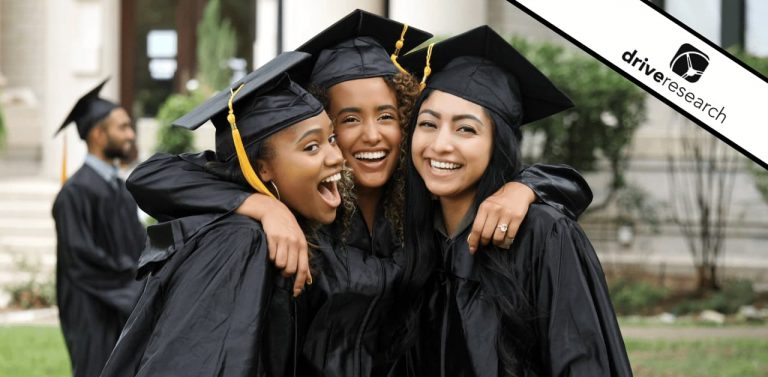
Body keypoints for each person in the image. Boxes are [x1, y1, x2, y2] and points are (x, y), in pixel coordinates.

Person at [122, 11, 593, 376]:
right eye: (348, 120)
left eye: (387, 116)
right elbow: (155, 176)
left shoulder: (419, 204)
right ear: (323, 125)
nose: (373, 135)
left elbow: (523, 181)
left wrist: (525, 187)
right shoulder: (302, 207)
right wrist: (262, 205)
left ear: (405, 120)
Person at [400, 26, 633, 376]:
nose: (441, 145)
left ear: (499, 144)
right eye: (428, 124)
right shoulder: (413, 236)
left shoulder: (542, 235)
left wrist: (529, 186)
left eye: (466, 129)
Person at [100, 51, 346, 376]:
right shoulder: (239, 240)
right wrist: (263, 205)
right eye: (311, 147)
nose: (337, 156)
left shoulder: (290, 230)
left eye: (331, 138)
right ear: (261, 168)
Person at [51, 78, 146, 377]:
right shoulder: (74, 194)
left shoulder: (119, 188)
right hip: (93, 312)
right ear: (97, 134)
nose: (131, 135)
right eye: (122, 127)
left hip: (123, 304)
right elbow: (81, 261)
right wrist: (134, 285)